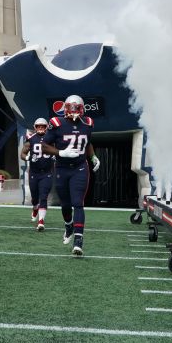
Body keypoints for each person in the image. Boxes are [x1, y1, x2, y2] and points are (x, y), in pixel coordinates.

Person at [41, 95, 99, 257]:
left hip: (80, 168)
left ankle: (78, 241)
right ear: (65, 108)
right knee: (65, 205)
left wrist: (93, 156)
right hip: (61, 168)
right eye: (70, 108)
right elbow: (44, 146)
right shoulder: (56, 124)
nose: (73, 112)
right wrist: (61, 152)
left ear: (82, 109)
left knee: (78, 203)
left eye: (76, 108)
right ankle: (68, 225)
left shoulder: (88, 123)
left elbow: (87, 142)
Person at [20, 118, 56, 231]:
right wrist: (28, 157)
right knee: (35, 198)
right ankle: (35, 207)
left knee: (43, 197)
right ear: (35, 127)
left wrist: (56, 155)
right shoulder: (31, 139)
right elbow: (22, 153)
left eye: (43, 126)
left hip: (47, 173)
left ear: (46, 127)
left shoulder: (51, 138)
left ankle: (41, 221)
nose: (40, 128)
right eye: (38, 126)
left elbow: (59, 149)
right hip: (34, 173)